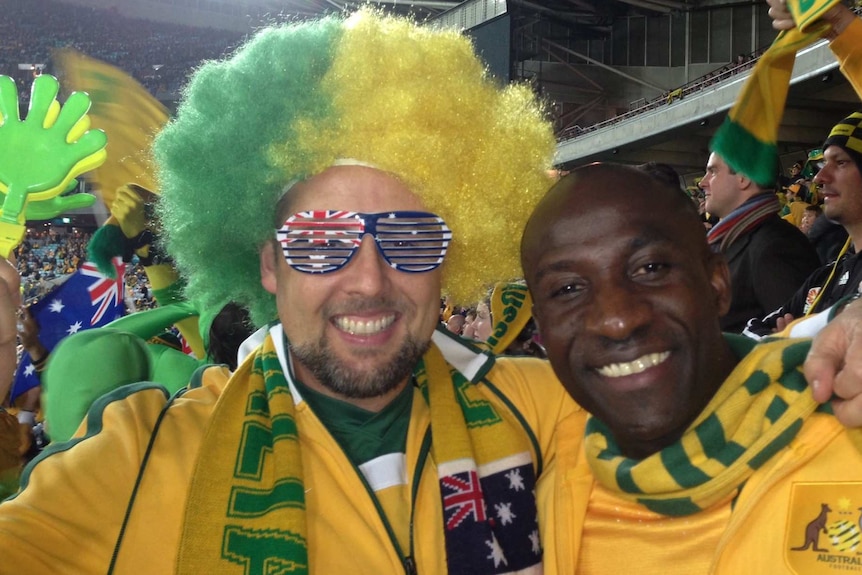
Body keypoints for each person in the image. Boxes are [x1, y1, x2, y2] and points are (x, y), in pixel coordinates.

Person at [0, 10, 572, 574]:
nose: (370, 280)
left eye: (410, 239)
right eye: (321, 241)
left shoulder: (549, 411)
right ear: (270, 266)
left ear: (449, 257)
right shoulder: (145, 454)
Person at [523, 163, 862, 574]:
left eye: (650, 268)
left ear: (717, 283)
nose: (616, 319)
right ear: (543, 330)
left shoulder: (847, 431)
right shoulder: (534, 500)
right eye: (568, 289)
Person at [745, 112, 862, 339]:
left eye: (840, 162)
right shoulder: (826, 275)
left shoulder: (775, 242)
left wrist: (791, 339)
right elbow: (751, 331)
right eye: (823, 163)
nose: (819, 177)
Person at [699, 149, 819, 332]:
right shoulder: (732, 240)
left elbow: (797, 339)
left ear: (743, 178)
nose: (703, 182)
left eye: (713, 172)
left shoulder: (776, 246)